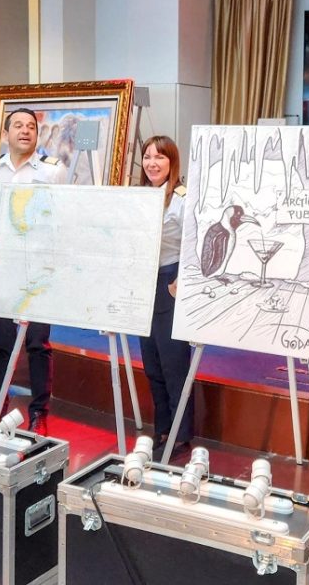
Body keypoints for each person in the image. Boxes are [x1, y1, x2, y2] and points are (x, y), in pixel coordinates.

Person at [0, 107, 66, 433]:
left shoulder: (53, 171)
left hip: (38, 267)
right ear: (6, 134)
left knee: (37, 343)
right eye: (18, 125)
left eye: (31, 126)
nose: (25, 131)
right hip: (3, 266)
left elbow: (61, 216)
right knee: (1, 341)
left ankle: (40, 410)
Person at [137, 135, 193, 462]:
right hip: (144, 285)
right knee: (152, 363)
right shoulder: (142, 196)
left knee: (174, 363)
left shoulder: (182, 199)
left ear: (172, 162)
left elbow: (195, 245)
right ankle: (162, 427)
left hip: (170, 283)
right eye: (147, 157)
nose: (152, 163)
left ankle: (180, 434)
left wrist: (179, 283)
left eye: (159, 157)